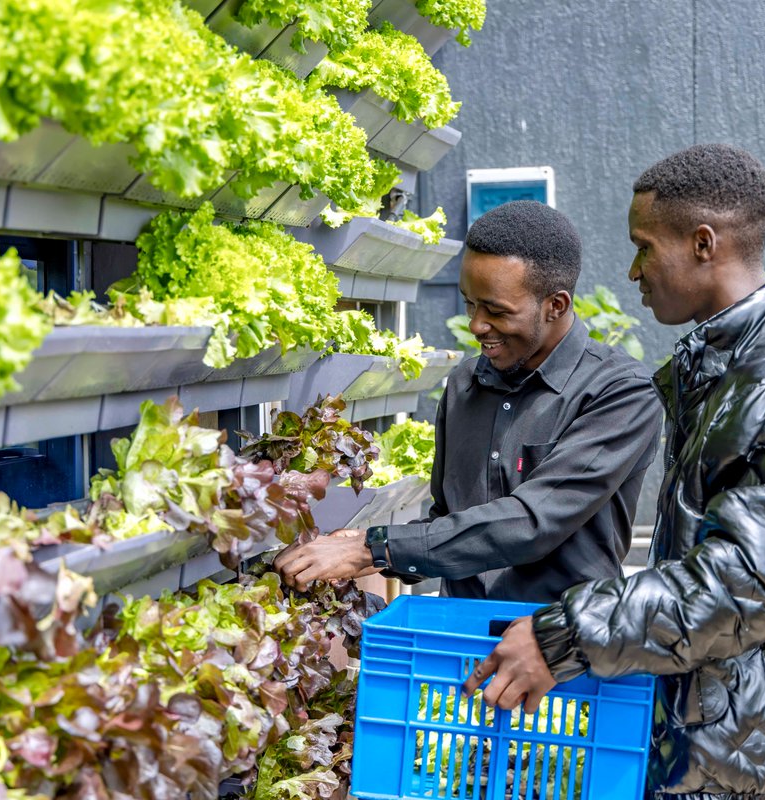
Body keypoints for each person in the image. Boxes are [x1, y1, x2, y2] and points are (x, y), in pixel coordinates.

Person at [464, 144, 765, 800]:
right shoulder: (731, 369)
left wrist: (560, 637)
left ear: (704, 243)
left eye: (644, 248)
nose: (634, 271)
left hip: (754, 754)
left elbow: (741, 586)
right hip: (736, 734)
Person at [274, 200, 662, 604]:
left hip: (559, 636)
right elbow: (450, 522)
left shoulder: (620, 392)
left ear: (556, 306)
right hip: (458, 632)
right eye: (469, 303)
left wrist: (373, 548)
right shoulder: (465, 384)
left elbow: (533, 521)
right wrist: (363, 549)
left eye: (496, 311)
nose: (476, 325)